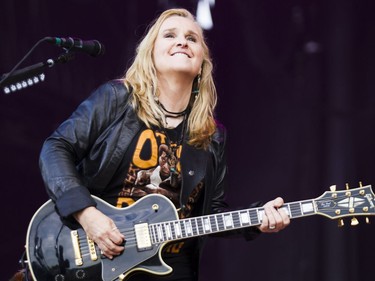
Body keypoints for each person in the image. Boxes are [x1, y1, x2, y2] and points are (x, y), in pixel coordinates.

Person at [39, 8, 290, 281]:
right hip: (99, 257)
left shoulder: (212, 136)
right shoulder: (117, 99)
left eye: (192, 38)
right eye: (170, 35)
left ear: (202, 64)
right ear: (151, 54)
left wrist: (256, 219)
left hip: (170, 267)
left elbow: (211, 212)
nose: (182, 41)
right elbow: (56, 148)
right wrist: (87, 214)